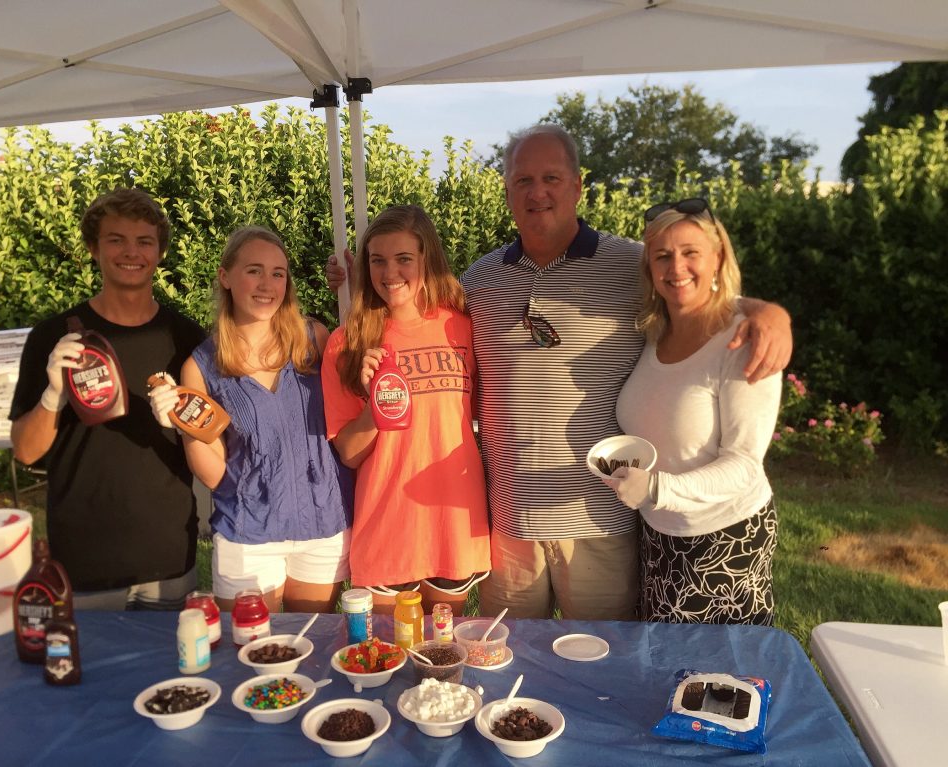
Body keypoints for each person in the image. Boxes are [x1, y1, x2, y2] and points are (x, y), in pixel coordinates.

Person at [328, 124, 792, 620]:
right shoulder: (480, 281)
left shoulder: (627, 264)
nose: (537, 192)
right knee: (509, 667)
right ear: (507, 191)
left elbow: (690, 291)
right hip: (508, 522)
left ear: (577, 186)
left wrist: (765, 312)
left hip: (600, 518)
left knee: (599, 668)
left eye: (551, 177)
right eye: (523, 180)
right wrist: (354, 279)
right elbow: (408, 304)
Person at [10, 187, 206, 609]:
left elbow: (216, 440)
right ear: (93, 248)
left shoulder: (188, 339)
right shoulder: (54, 336)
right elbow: (26, 451)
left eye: (144, 241)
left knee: (177, 674)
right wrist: (53, 395)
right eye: (116, 239)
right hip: (83, 561)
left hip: (168, 555)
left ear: (160, 252)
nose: (130, 252)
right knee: (90, 676)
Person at [150, 226, 353, 613]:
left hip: (321, 526)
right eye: (254, 270)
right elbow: (213, 475)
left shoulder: (315, 340)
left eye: (278, 273)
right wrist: (183, 424)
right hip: (248, 533)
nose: (268, 284)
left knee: (312, 649)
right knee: (250, 655)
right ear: (225, 276)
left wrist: (352, 284)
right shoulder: (201, 366)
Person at [606, 199, 781, 624]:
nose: (676, 266)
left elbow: (744, 465)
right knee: (659, 666)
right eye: (662, 256)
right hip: (657, 533)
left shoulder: (743, 340)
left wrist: (657, 489)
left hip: (724, 538)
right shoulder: (657, 331)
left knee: (715, 682)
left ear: (718, 258)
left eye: (690, 252)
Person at [321, 205, 490, 616]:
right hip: (387, 525)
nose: (389, 272)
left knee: (442, 658)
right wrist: (371, 404)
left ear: (426, 259)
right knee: (387, 661)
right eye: (377, 260)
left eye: (403, 259)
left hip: (453, 524)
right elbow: (349, 452)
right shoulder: (349, 341)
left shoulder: (465, 327)